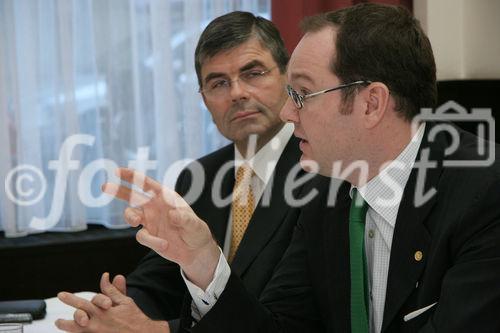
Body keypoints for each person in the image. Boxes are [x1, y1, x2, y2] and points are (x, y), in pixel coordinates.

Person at [71, 3, 500, 333]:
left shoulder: (485, 194)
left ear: (371, 103)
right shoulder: (328, 195)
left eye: (303, 94)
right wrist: (203, 260)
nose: (289, 114)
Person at [55, 11, 324, 333]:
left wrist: (160, 330)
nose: (237, 93)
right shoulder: (200, 175)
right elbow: (161, 276)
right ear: (204, 99)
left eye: (252, 73)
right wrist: (117, 308)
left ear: (286, 77)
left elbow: (290, 315)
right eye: (218, 83)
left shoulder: (324, 171)